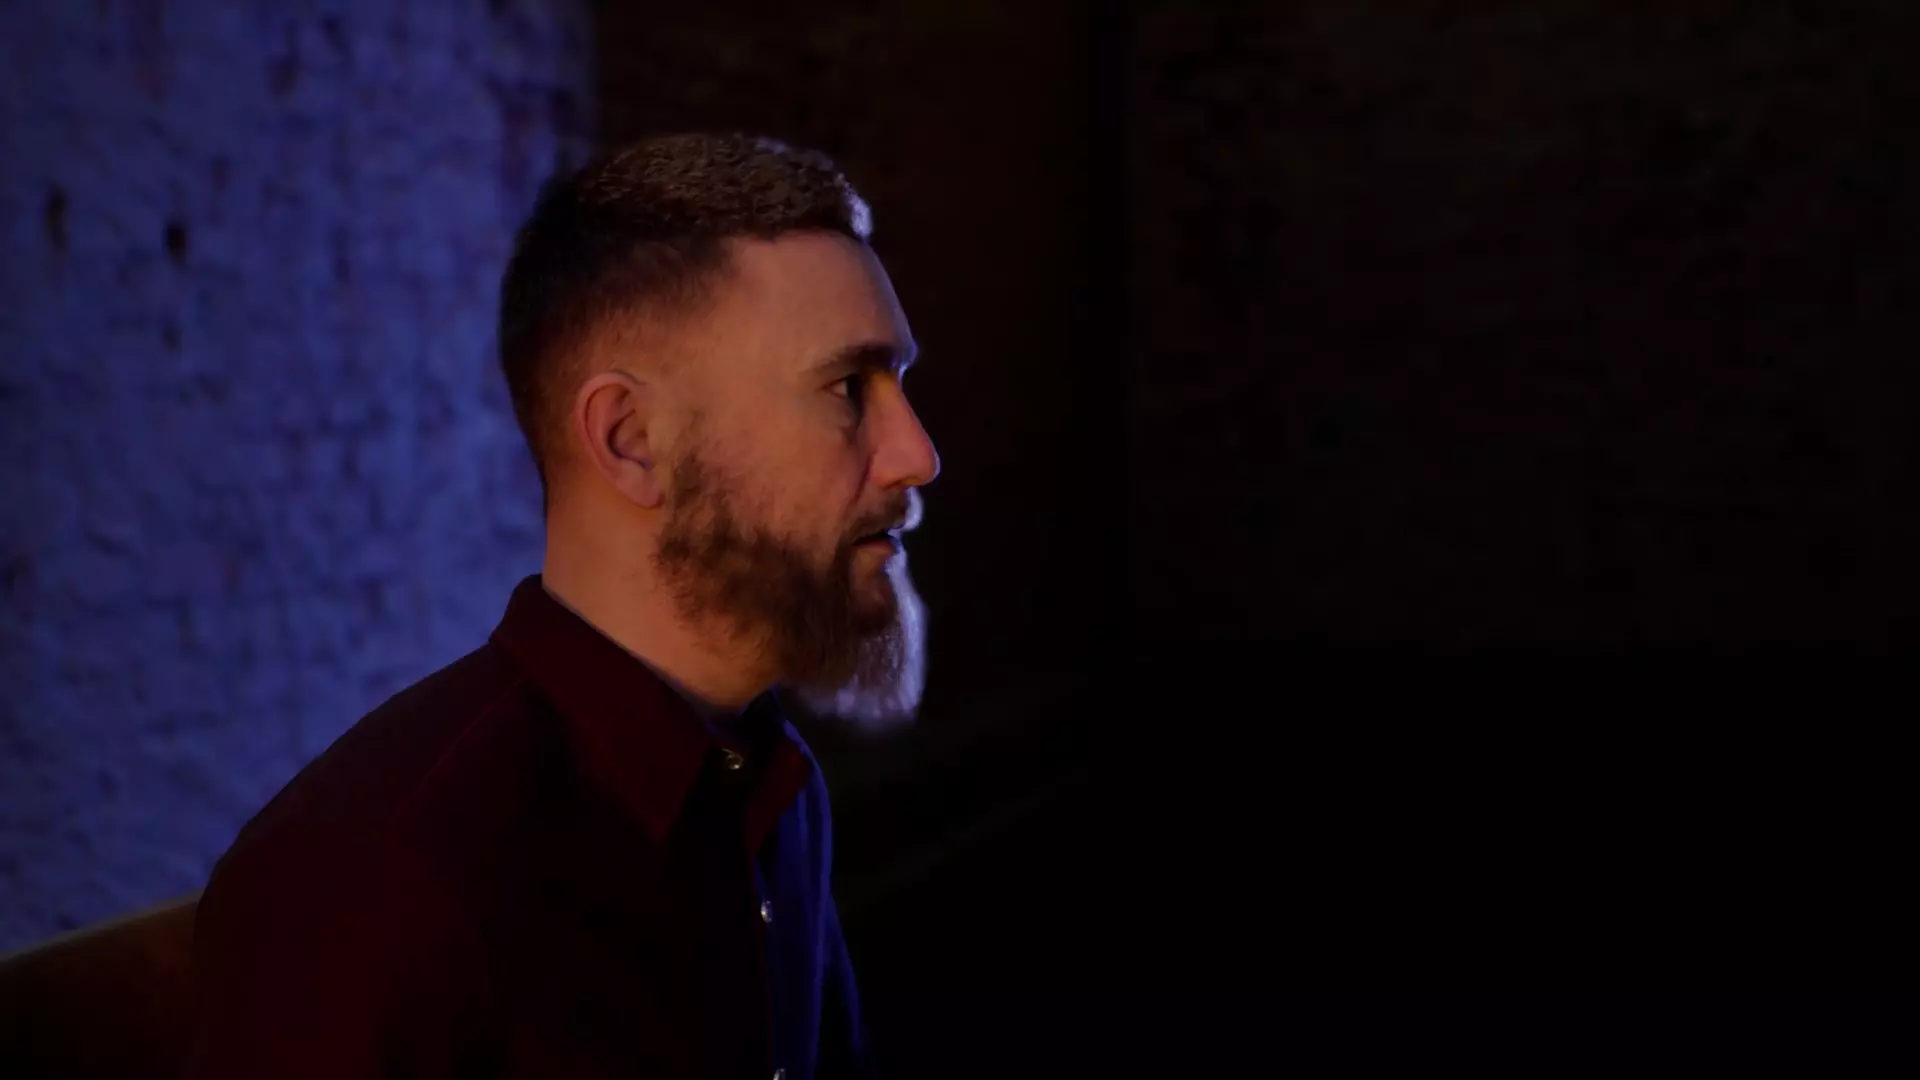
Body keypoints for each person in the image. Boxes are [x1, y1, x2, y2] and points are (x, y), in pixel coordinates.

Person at [185, 132, 940, 1079]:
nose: (918, 454)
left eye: (898, 385)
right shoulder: (373, 876)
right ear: (631, 439)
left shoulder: (772, 784)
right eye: (847, 387)